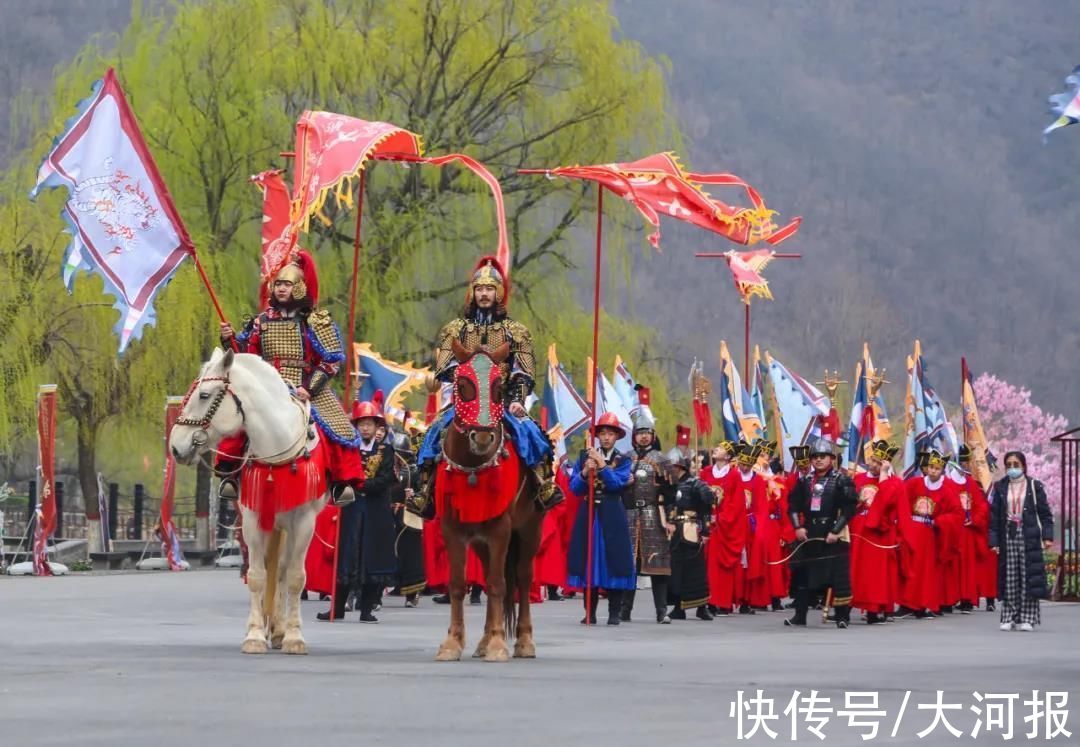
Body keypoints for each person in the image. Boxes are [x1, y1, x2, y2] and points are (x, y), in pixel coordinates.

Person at [412, 256, 560, 515]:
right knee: (433, 434)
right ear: (472, 292)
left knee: (531, 435)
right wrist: (463, 375)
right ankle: (425, 492)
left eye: (489, 289)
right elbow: (444, 368)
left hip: (499, 400)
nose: (484, 294)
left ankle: (542, 484)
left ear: (499, 292)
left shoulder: (516, 331)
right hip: (465, 403)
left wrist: (517, 399)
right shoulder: (455, 330)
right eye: (479, 289)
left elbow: (523, 372)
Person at [218, 250, 364, 502]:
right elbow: (243, 354)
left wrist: (310, 388)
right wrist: (227, 338)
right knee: (240, 417)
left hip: (304, 384)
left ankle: (341, 483)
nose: (281, 289)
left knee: (336, 425)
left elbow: (331, 360)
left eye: (287, 284)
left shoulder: (315, 321)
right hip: (266, 384)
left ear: (299, 288)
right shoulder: (260, 321)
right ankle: (230, 474)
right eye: (278, 284)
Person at [317, 397, 397, 623]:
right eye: (361, 423)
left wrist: (360, 484)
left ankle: (366, 609)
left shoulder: (386, 450)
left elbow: (386, 478)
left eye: (369, 424)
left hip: (375, 510)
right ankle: (338, 607)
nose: (365, 427)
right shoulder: (347, 448)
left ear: (376, 427)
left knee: (373, 557)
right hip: (351, 508)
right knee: (346, 555)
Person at [566, 413, 636, 625]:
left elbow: (617, 484)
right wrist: (586, 471)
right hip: (589, 512)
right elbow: (574, 488)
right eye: (603, 433)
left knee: (613, 560)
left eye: (610, 434)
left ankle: (614, 612)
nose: (606, 438)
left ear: (617, 437)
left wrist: (603, 467)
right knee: (588, 559)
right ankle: (590, 612)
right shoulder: (583, 457)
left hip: (612, 511)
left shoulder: (623, 460)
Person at [785, 438, 857, 629]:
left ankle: (842, 616)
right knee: (802, 575)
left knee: (838, 578)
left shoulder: (842, 480)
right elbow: (792, 507)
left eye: (822, 456)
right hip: (809, 532)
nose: (818, 460)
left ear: (831, 458)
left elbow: (849, 509)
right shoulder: (804, 481)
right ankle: (800, 615)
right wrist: (797, 527)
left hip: (833, 533)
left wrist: (835, 531)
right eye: (815, 457)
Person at [988, 451, 1054, 631]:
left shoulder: (1034, 485)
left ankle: (1027, 617)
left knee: (1028, 576)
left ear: (1023, 466)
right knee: (1009, 577)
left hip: (1029, 534)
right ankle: (1008, 616)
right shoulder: (1000, 487)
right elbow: (994, 518)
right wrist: (993, 541)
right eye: (1008, 465)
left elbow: (1045, 514)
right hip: (1007, 534)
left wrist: (1047, 536)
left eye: (1016, 465)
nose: (1012, 468)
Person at [621, 405, 673, 623]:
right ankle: (624, 610)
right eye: (640, 433)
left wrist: (670, 518)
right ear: (635, 436)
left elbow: (671, 493)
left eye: (647, 433)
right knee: (628, 565)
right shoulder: (624, 458)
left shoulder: (663, 460)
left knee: (657, 566)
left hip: (653, 514)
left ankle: (661, 611)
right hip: (629, 515)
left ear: (652, 436)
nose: (643, 437)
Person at [896, 449, 963, 619]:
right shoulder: (914, 484)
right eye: (931, 467)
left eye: (937, 468)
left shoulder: (946, 491)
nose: (933, 471)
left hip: (930, 535)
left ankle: (923, 604)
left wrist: (940, 521)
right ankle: (906, 604)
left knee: (926, 572)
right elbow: (901, 501)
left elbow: (956, 514)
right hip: (912, 531)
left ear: (942, 470)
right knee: (909, 568)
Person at [850, 440, 902, 624]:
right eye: (872, 460)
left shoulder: (894, 483)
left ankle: (877, 607)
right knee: (858, 570)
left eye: (878, 463)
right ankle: (852, 605)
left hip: (880, 532)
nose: (872, 464)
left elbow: (886, 502)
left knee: (877, 572)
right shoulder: (858, 479)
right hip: (860, 530)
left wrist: (883, 475)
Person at [663, 448, 715, 621]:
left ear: (682, 467)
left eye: (675, 467)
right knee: (676, 571)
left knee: (696, 570)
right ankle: (678, 607)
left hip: (691, 530)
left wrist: (706, 531)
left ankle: (702, 607)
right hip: (672, 532)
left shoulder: (694, 483)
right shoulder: (668, 485)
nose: (672, 470)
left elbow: (706, 509)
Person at [703, 440, 744, 616]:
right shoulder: (705, 473)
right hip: (708, 525)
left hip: (724, 526)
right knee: (708, 564)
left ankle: (724, 601)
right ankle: (709, 601)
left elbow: (736, 503)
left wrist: (720, 518)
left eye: (719, 448)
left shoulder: (734, 475)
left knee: (723, 566)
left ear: (727, 456)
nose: (715, 449)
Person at [952, 445, 991, 614]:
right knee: (951, 566)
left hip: (967, 531)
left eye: (967, 461)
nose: (965, 465)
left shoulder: (971, 484)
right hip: (952, 532)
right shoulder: (947, 482)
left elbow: (982, 506)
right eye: (962, 462)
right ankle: (949, 598)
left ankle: (966, 598)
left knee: (967, 566)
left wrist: (973, 519)